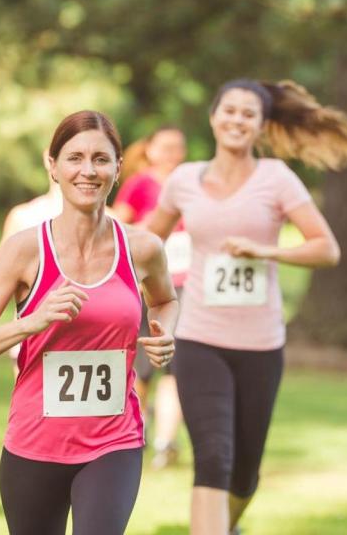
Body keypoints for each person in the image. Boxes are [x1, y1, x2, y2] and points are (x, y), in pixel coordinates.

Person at [144, 79, 347, 535]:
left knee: (244, 472)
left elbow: (327, 248)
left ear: (262, 126)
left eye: (249, 114)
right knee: (213, 457)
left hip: (260, 345)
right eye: (229, 110)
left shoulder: (276, 179)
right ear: (213, 116)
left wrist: (267, 253)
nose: (237, 120)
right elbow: (147, 243)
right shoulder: (185, 179)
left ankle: (226, 526)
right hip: (199, 337)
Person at [0, 110, 179, 535]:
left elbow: (164, 300)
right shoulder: (24, 251)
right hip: (34, 444)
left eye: (100, 159)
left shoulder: (143, 248)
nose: (87, 171)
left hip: (115, 441)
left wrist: (166, 331)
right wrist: (29, 323)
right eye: (74, 158)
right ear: (52, 166)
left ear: (118, 168)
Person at [112, 126, 190, 469]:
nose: (173, 153)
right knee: (142, 367)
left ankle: (165, 441)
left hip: (185, 285)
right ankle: (135, 432)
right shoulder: (141, 183)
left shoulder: (191, 187)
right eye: (166, 147)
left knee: (176, 367)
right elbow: (116, 224)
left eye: (178, 147)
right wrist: (150, 229)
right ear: (151, 150)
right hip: (146, 283)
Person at [0, 152, 63, 375]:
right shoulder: (24, 216)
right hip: (33, 340)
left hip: (96, 347)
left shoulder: (114, 221)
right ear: (49, 159)